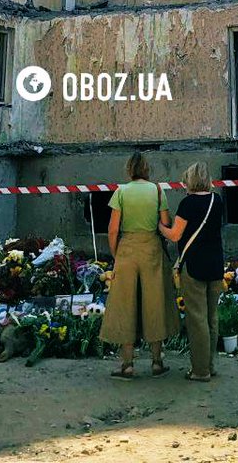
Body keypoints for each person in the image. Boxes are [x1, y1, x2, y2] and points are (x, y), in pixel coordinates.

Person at [100, 151, 179, 379]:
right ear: (146, 169)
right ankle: (156, 362)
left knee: (125, 304)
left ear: (129, 169)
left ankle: (127, 364)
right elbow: (165, 223)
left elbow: (113, 229)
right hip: (152, 249)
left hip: (127, 249)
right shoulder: (157, 190)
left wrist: (117, 254)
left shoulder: (121, 192)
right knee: (155, 302)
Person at [160, 161, 224, 382]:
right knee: (212, 317)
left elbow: (175, 235)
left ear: (191, 181)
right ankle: (210, 365)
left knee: (197, 319)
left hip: (195, 266)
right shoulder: (217, 200)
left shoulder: (188, 204)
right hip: (216, 265)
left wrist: (159, 227)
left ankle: (200, 370)